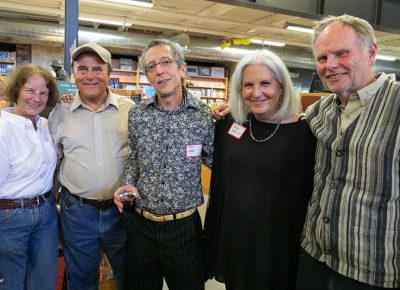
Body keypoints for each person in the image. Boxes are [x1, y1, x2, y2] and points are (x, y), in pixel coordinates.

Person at [296, 15, 400, 289]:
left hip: (373, 274)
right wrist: (238, 113)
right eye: (322, 58)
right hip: (312, 261)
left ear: (371, 52)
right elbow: (281, 125)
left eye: (342, 53)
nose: (330, 65)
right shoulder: (318, 111)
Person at [203, 50, 316, 290]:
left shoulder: (305, 133)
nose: (256, 92)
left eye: (265, 83)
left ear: (282, 87)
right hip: (237, 241)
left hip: (278, 248)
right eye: (248, 85)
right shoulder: (231, 124)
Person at [113, 39, 214, 290]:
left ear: (182, 69)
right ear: (147, 75)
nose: (159, 71)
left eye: (166, 62)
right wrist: (127, 184)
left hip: (184, 230)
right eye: (151, 66)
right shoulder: (138, 114)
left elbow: (217, 163)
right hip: (141, 226)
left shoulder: (204, 115)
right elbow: (135, 156)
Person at [48, 42, 134, 290]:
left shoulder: (130, 110)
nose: (90, 75)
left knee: (128, 276)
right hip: (77, 212)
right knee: (80, 280)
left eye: (97, 69)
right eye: (82, 69)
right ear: (74, 74)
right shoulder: (60, 113)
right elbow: (53, 161)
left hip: (121, 212)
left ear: (109, 74)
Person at [0, 64, 60, 290]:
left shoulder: (45, 125)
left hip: (45, 213)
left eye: (43, 92)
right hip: (9, 217)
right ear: (16, 90)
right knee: (11, 282)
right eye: (30, 90)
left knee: (43, 280)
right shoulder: (3, 129)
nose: (37, 98)